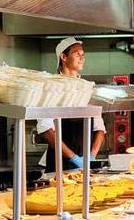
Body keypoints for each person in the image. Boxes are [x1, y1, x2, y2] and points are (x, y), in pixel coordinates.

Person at [36, 37, 105, 172]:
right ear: (63, 57)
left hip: (84, 163)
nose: (82, 58)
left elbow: (99, 128)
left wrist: (91, 156)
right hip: (58, 163)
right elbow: (46, 130)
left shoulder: (86, 87)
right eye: (77, 54)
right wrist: (74, 158)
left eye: (83, 55)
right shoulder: (51, 87)